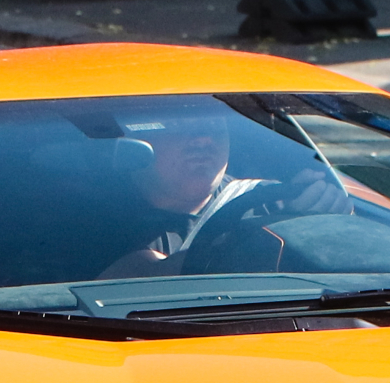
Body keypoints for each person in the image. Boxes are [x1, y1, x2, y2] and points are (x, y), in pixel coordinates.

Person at [95, 103, 350, 278]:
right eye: (179, 125)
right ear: (135, 137)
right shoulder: (92, 216)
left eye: (215, 126)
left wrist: (323, 224)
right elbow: (141, 282)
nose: (204, 139)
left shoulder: (272, 202)